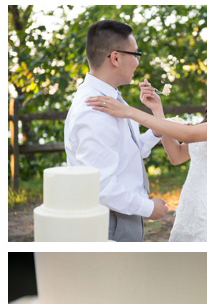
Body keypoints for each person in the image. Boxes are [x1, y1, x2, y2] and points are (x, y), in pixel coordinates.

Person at [87, 41, 207, 242]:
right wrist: (157, 109)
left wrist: (129, 112)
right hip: (188, 211)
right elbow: (177, 155)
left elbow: (189, 135)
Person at [64, 20, 168, 242]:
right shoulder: (94, 109)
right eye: (136, 54)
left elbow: (130, 151)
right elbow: (100, 185)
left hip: (122, 215)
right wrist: (148, 208)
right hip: (111, 221)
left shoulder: (111, 100)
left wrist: (157, 130)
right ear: (116, 57)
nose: (137, 63)